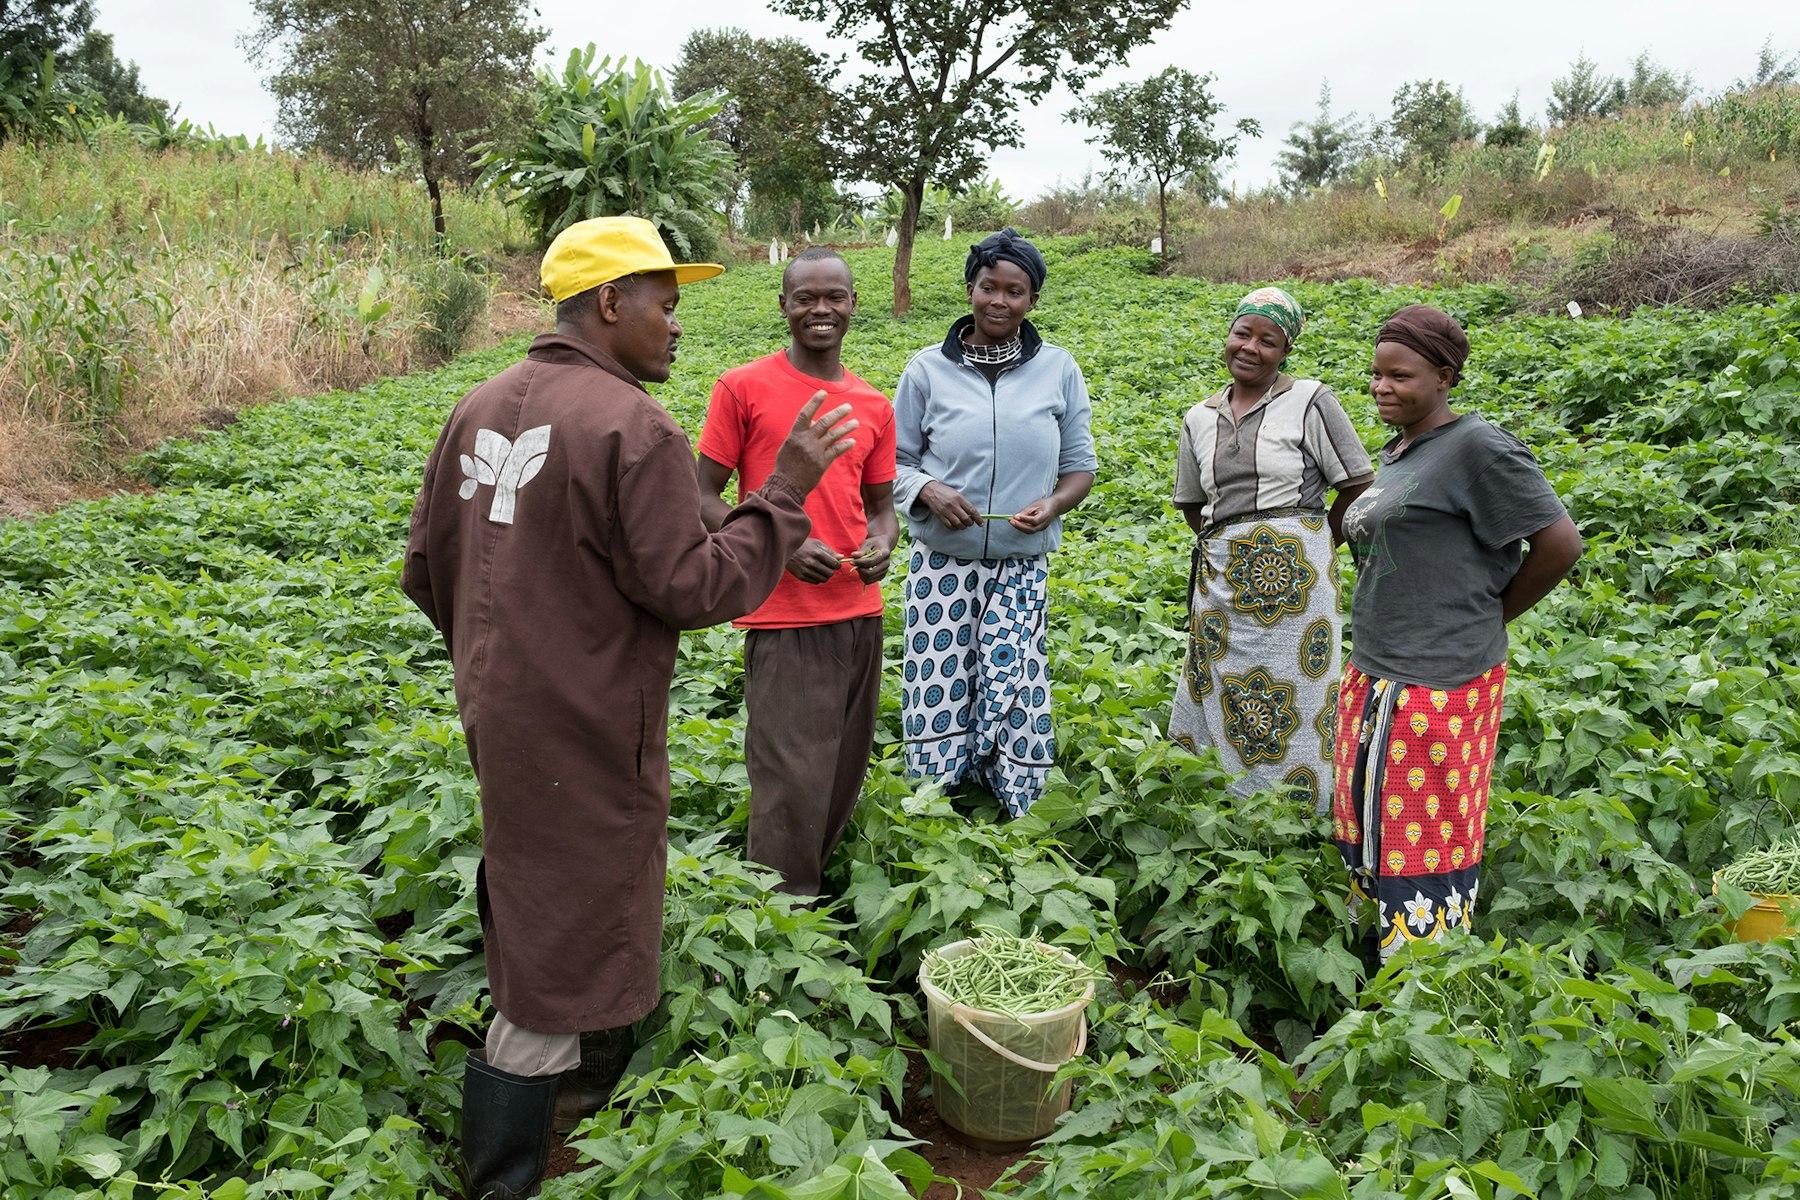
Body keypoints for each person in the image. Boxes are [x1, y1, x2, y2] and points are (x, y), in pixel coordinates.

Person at [401, 216, 858, 1199]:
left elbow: (426, 570)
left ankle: (574, 1089)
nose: (677, 325)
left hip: (508, 714)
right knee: (563, 928)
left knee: (547, 895)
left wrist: (505, 661)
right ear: (610, 302)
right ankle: (507, 1172)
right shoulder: (628, 424)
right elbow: (696, 589)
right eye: (666, 303)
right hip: (589, 726)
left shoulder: (477, 406)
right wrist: (780, 494)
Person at [1332, 304, 1584, 964]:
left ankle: (1427, 987)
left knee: (1425, 832)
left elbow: (1560, 544)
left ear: (1445, 376)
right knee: (1370, 818)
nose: (1382, 387)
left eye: (1401, 376)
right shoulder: (1403, 448)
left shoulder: (1480, 448)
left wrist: (1488, 613)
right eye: (1376, 375)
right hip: (1378, 667)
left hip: (1439, 681)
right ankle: (1372, 959)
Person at [694, 248, 898, 896]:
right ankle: (781, 928)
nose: (820, 309)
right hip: (783, 619)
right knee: (789, 787)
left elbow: (883, 510)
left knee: (840, 775)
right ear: (782, 305)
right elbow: (701, 498)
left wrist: (883, 543)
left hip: (859, 616)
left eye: (833, 296)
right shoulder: (742, 388)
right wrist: (775, 543)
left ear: (853, 304)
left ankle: (802, 908)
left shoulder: (874, 403)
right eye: (805, 297)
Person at [891, 228, 1097, 818]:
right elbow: (893, 462)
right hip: (941, 562)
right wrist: (928, 489)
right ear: (970, 289)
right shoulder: (926, 370)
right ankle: (938, 795)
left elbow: (1080, 467)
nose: (999, 301)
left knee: (1014, 679)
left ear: (1032, 300)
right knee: (941, 675)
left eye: (1015, 290)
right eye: (988, 287)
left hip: (1019, 563)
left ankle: (1014, 794)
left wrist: (1053, 505)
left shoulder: (1058, 370)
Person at [1168, 287, 1374, 813]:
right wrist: (1230, 547)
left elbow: (1355, 483)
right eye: (1243, 333)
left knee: (1295, 694)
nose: (1251, 348)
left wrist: (1312, 541)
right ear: (1228, 335)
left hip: (1296, 588)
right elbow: (1194, 503)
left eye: (1269, 340)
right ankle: (1228, 804)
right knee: (1224, 686)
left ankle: (1297, 811)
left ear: (1285, 351)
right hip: (1223, 580)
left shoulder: (1309, 400)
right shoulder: (1199, 417)